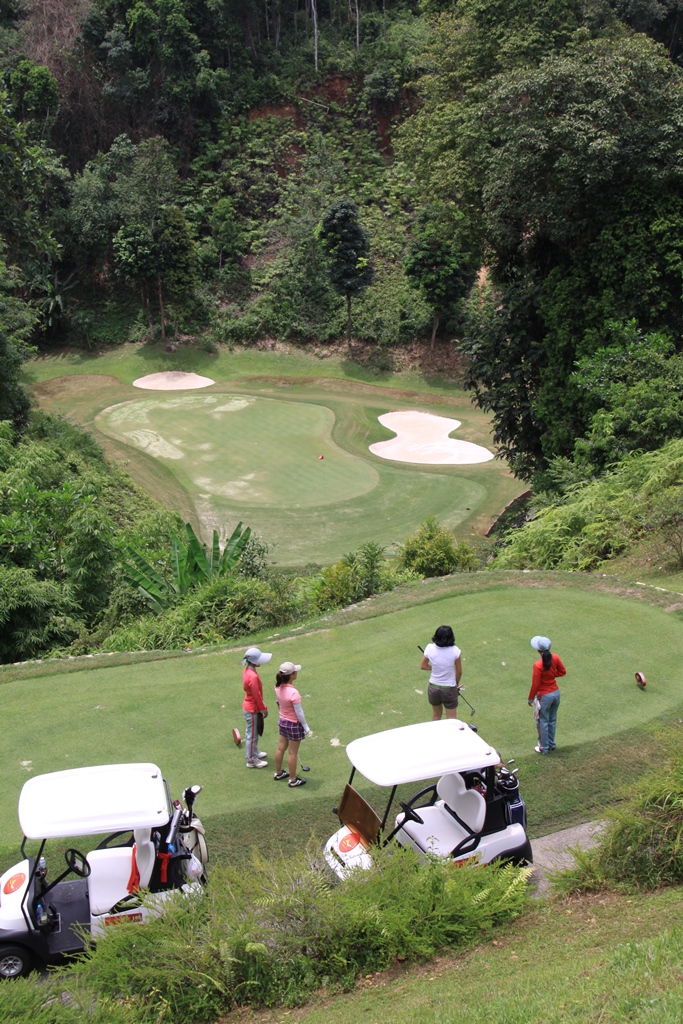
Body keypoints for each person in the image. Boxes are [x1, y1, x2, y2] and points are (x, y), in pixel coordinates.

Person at [273, 661, 311, 788]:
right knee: (292, 753)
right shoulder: (294, 693)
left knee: (281, 748)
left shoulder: (277, 687)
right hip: (293, 724)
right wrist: (305, 726)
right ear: (292, 675)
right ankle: (293, 780)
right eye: (295, 672)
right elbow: (299, 712)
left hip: (282, 721)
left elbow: (279, 702)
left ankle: (278, 773)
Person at [527, 636, 566, 755]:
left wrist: (530, 698)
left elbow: (535, 684)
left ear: (538, 650)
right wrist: (552, 676)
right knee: (552, 720)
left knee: (542, 722)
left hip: (544, 696)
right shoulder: (556, 657)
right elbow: (562, 672)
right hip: (556, 693)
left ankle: (543, 747)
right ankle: (551, 744)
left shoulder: (538, 665)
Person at [420, 625, 462, 720]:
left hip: (433, 688)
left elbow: (423, 666)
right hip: (449, 689)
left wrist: (437, 667)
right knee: (451, 720)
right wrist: (456, 685)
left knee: (436, 715)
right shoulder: (455, 651)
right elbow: (459, 672)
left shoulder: (429, 648)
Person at [242, 646, 271, 768]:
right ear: (253, 661)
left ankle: (254, 752)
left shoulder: (248, 670)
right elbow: (256, 695)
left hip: (250, 706)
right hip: (252, 708)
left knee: (252, 733)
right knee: (252, 735)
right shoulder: (253, 676)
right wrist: (263, 708)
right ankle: (251, 760)